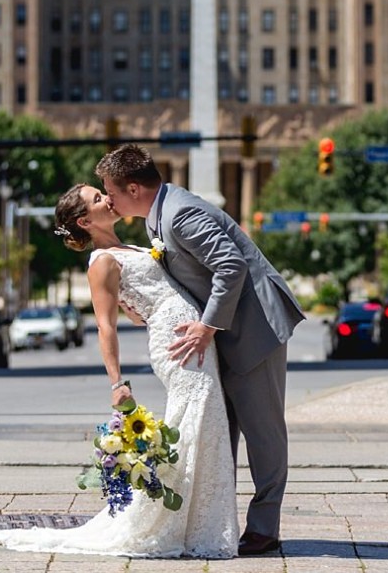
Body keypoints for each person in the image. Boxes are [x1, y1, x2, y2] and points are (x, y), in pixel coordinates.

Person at [0, 186, 239, 559]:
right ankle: (174, 522)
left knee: (205, 422)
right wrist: (117, 382)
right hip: (176, 342)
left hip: (189, 334)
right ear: (86, 221)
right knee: (197, 420)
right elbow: (106, 326)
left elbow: (134, 303)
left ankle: (198, 522)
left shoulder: (129, 248)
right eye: (98, 198)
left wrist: (142, 305)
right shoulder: (101, 261)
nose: (108, 198)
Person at [97, 145, 305, 557]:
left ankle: (265, 529)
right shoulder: (157, 217)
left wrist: (207, 325)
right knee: (218, 431)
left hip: (253, 329)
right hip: (221, 337)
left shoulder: (180, 215)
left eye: (111, 192)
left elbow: (231, 266)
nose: (108, 200)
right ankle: (215, 522)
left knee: (263, 433)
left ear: (134, 188)